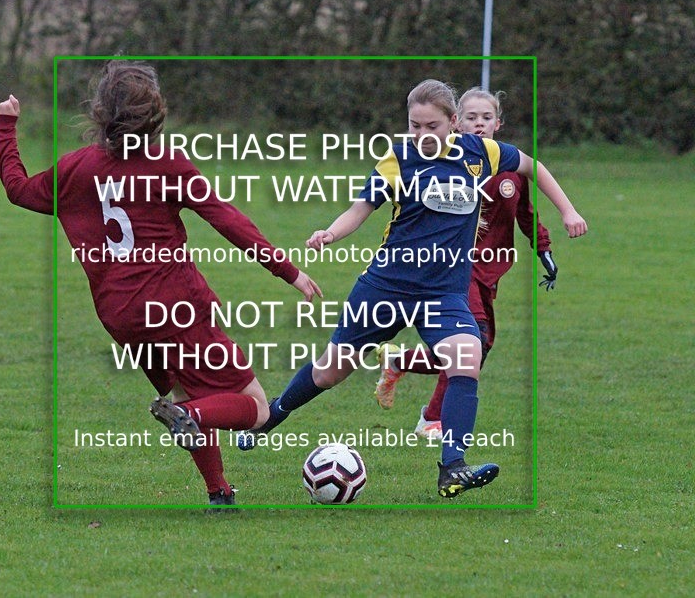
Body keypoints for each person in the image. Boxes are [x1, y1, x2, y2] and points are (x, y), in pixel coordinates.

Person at [0, 61, 321, 508]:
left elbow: (18, 189)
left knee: (187, 391)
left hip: (121, 316)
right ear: (155, 115)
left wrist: (5, 127)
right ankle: (187, 417)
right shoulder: (168, 165)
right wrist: (288, 270)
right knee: (256, 408)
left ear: (100, 113)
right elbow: (227, 220)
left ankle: (219, 491)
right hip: (175, 305)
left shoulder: (76, 169)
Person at [238, 79, 587, 499]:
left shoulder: (482, 153)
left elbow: (534, 167)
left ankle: (452, 468)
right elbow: (361, 208)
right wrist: (330, 234)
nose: (420, 136)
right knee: (331, 371)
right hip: (386, 287)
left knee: (467, 355)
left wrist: (567, 210)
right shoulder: (398, 159)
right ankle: (271, 416)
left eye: (431, 127)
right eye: (413, 126)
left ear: (453, 123)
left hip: (443, 294)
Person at [373, 87, 558, 441]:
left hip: (490, 271)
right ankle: (432, 419)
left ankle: (400, 361)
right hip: (455, 268)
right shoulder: (449, 163)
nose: (479, 124)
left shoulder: (510, 168)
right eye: (471, 118)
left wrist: (544, 249)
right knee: (476, 340)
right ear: (457, 122)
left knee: (476, 346)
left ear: (498, 123)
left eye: (486, 118)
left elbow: (526, 215)